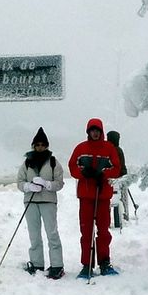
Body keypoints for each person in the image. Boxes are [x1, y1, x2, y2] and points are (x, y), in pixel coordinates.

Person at [68, 118, 122, 278]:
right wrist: (83, 173)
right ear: (88, 132)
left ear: (101, 131)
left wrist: (103, 174)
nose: (95, 133)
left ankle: (104, 262)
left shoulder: (109, 148)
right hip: (86, 195)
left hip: (102, 194)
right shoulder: (81, 148)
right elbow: (72, 166)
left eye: (97, 130)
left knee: (103, 230)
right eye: (92, 130)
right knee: (86, 230)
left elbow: (117, 168)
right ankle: (87, 264)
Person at [16, 127, 65, 279]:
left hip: (48, 202)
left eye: (43, 145)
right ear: (33, 146)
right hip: (31, 202)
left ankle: (57, 265)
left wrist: (46, 184)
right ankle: (37, 264)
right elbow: (19, 182)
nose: (40, 147)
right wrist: (28, 186)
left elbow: (59, 183)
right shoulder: (27, 162)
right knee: (34, 234)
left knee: (52, 233)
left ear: (47, 146)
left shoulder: (53, 162)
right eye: (37, 145)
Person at [106, 130, 129, 221]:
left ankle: (108, 219)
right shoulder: (118, 150)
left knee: (109, 200)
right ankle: (124, 216)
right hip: (120, 178)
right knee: (122, 199)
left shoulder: (107, 150)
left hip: (110, 178)